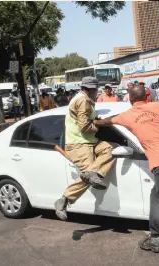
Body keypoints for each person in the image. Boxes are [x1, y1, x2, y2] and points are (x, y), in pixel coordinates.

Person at [95, 85, 159, 266]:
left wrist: (96, 122)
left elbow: (108, 122)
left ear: (130, 100)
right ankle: (155, 238)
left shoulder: (128, 115)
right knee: (156, 196)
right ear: (146, 97)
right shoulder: (156, 107)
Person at [54, 77, 116, 221]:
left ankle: (94, 173)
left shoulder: (84, 99)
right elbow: (84, 126)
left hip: (89, 141)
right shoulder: (83, 100)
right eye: (96, 90)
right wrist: (99, 125)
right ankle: (64, 200)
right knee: (88, 176)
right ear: (91, 89)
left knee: (110, 149)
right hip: (79, 144)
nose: (97, 93)